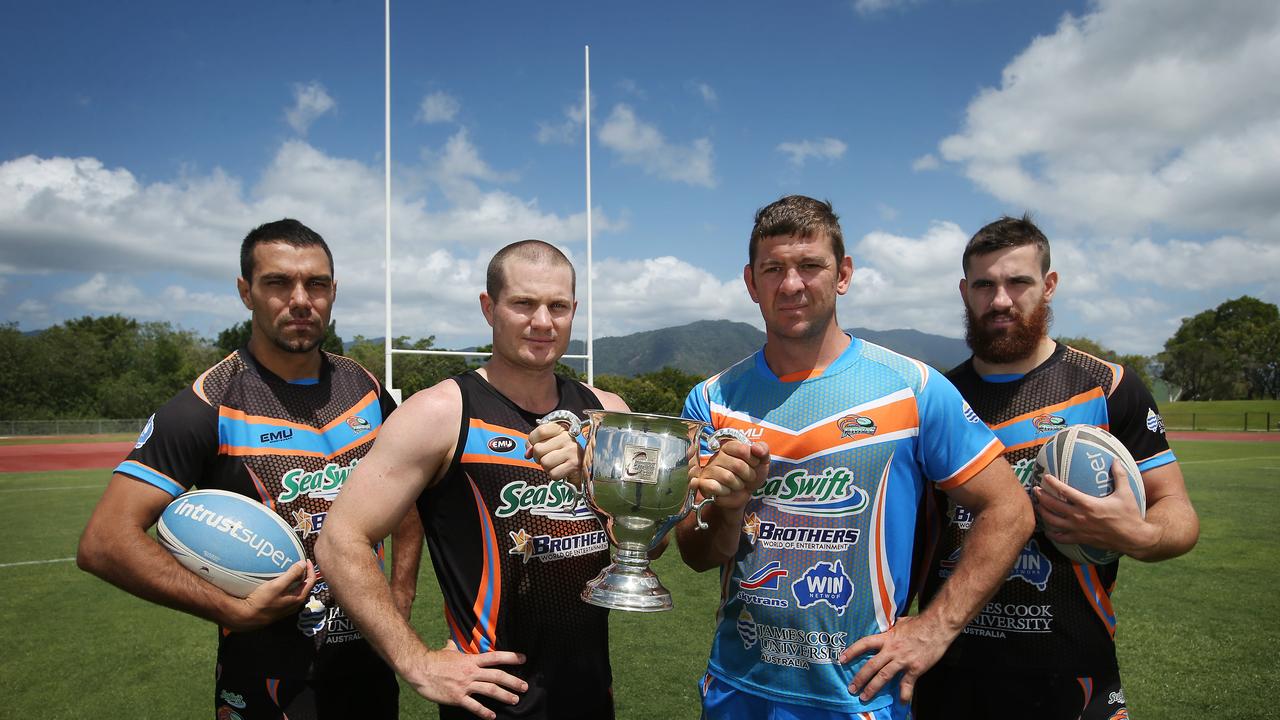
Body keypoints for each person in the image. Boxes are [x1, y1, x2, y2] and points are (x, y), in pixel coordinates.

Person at [652, 194, 1029, 720]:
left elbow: (1010, 508)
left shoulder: (913, 388)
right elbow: (697, 554)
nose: (791, 284)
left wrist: (935, 627)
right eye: (774, 268)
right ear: (750, 281)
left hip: (860, 697)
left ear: (843, 273)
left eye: (811, 266)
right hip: (740, 688)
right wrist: (730, 508)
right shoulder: (712, 400)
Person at [77, 219, 413, 719]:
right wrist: (231, 609)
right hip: (265, 678)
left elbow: (404, 498)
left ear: (333, 292)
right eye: (278, 282)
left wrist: (399, 600)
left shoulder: (363, 386)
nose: (301, 299)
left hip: (369, 665)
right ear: (246, 292)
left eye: (316, 284)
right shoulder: (206, 405)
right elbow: (104, 541)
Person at [316, 240, 628, 720]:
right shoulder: (441, 412)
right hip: (490, 703)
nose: (543, 322)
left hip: (592, 695)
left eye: (558, 306)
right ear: (490, 308)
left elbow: (645, 545)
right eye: (523, 303)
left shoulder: (608, 413)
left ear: (574, 311)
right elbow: (340, 540)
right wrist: (415, 661)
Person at [913, 215, 1200, 719]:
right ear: (965, 291)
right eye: (984, 284)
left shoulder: (1108, 386)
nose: (1000, 299)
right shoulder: (935, 397)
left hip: (1073, 669)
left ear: (1048, 286)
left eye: (1017, 282)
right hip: (950, 665)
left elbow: (1176, 509)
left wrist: (1138, 534)